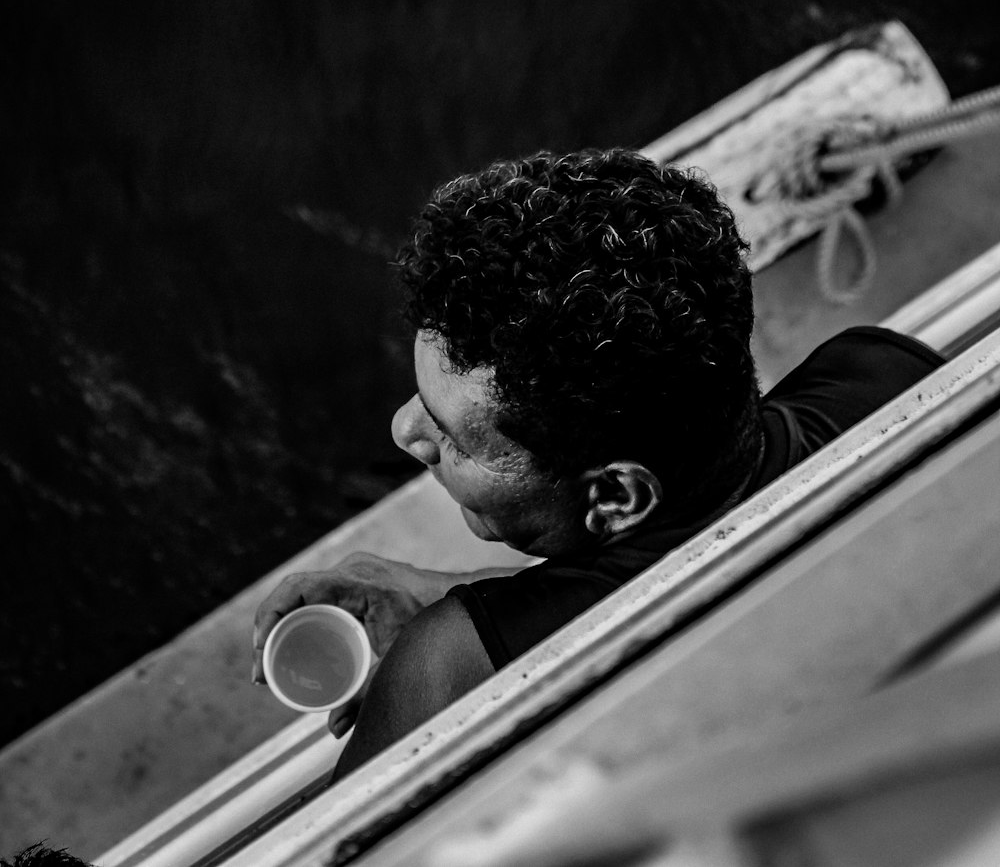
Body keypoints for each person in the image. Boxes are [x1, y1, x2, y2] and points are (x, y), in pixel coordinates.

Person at [251, 148, 943, 778]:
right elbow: (695, 561)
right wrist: (450, 593)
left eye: (455, 437)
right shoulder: (885, 380)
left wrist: (453, 638)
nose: (405, 430)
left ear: (616, 497)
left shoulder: (448, 672)